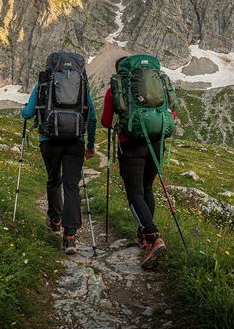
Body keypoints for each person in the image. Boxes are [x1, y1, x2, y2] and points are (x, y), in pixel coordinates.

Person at [101, 56, 177, 269]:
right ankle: (144, 237)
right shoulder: (157, 84)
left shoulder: (117, 88)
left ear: (120, 72)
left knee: (134, 193)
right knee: (147, 189)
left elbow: (106, 121)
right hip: (156, 142)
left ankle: (152, 237)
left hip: (131, 145)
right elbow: (173, 111)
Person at [21, 69, 95, 255]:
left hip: (49, 141)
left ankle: (55, 221)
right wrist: (91, 145)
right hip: (75, 141)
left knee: (54, 180)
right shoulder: (81, 85)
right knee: (71, 186)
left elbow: (28, 113)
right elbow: (91, 116)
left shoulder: (43, 84)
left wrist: (23, 111)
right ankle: (70, 236)